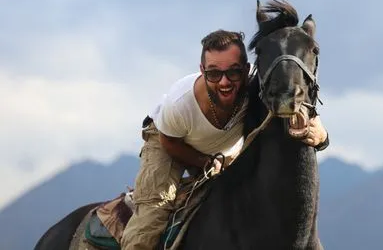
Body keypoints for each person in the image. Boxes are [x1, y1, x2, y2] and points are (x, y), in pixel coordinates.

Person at [120, 29, 329, 250]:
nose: (224, 82)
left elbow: (289, 107)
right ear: (202, 71)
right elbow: (169, 142)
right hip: (169, 142)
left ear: (247, 70)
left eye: (234, 73)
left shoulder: (254, 94)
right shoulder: (178, 104)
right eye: (214, 74)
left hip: (218, 151)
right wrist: (205, 162)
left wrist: (322, 137)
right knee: (151, 217)